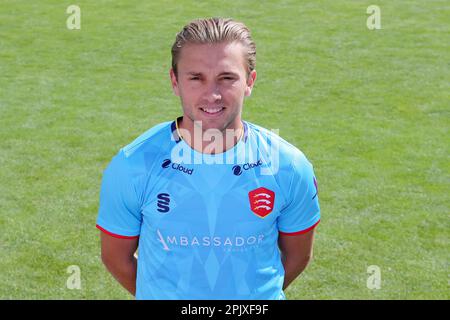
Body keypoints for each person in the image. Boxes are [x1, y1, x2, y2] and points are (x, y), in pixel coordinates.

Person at [96, 17, 321, 300]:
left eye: (226, 78)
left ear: (250, 81)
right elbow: (117, 259)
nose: (212, 94)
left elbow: (297, 256)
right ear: (175, 81)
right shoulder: (133, 164)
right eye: (196, 78)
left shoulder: (288, 166)